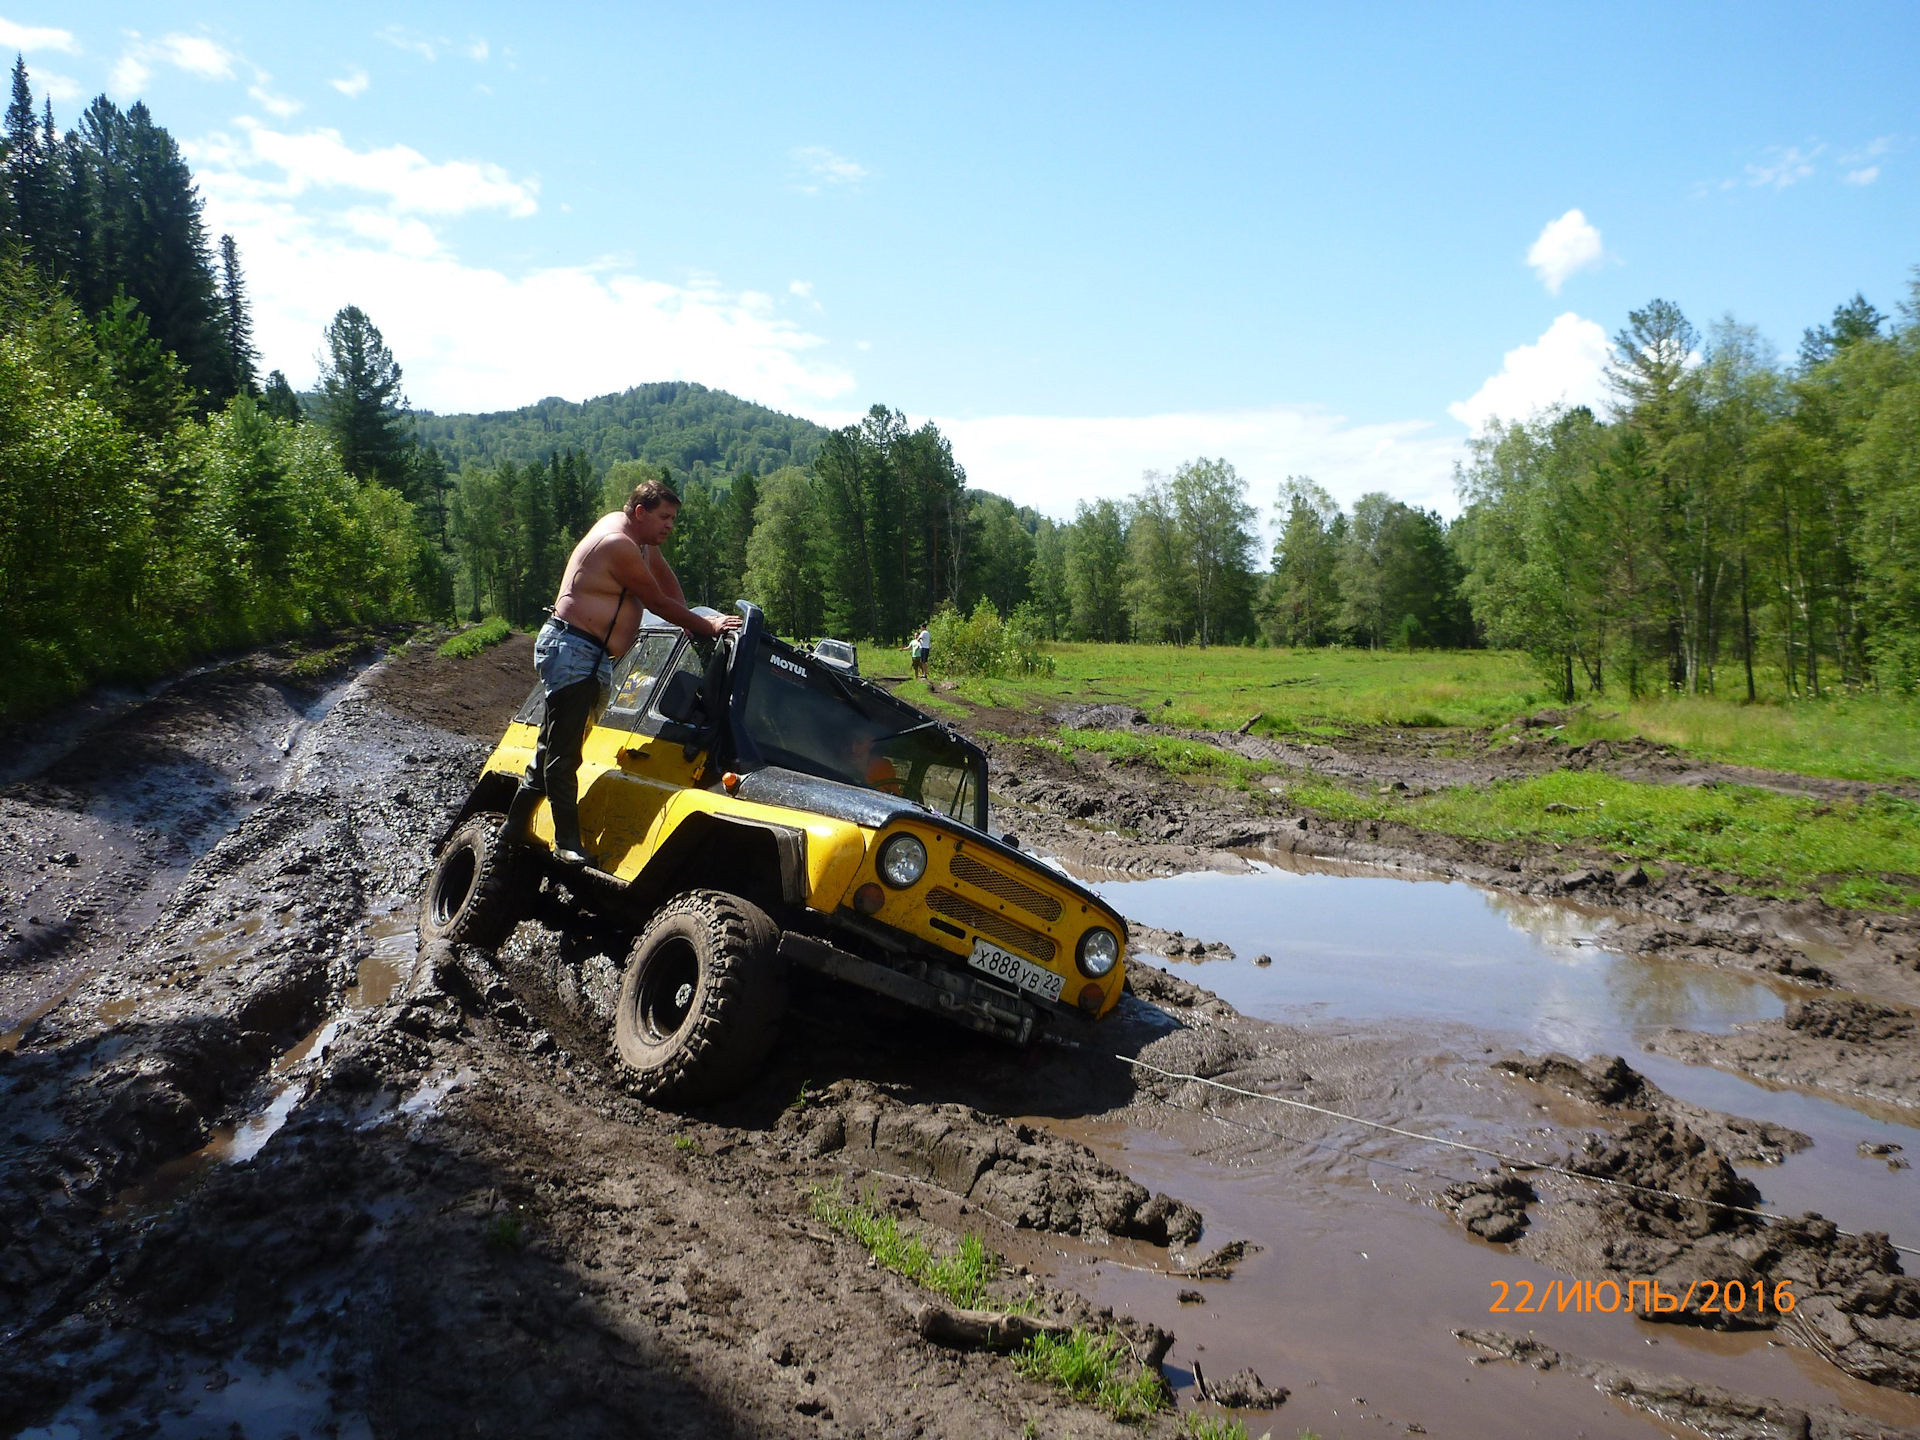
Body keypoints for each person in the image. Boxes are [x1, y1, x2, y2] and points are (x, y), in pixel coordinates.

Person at [510, 478, 742, 866]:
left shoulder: (638, 539)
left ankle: (515, 825)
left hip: (585, 651)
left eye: (673, 518)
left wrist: (689, 618)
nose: (669, 525)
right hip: (573, 650)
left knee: (555, 745)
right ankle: (566, 841)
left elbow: (666, 582)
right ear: (640, 512)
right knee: (564, 753)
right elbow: (655, 599)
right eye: (664, 517)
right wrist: (707, 626)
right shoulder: (619, 544)